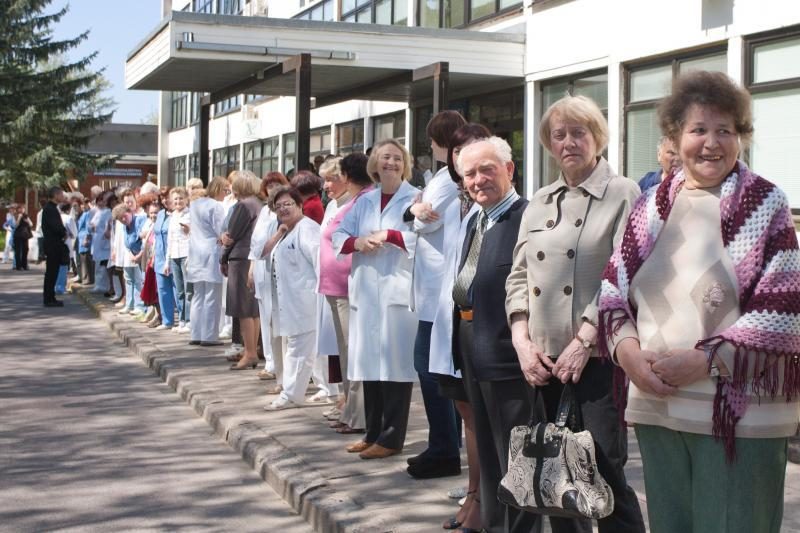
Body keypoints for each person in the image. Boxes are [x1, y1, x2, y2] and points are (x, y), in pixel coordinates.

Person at [598, 70, 800, 533]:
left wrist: (706, 361)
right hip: (658, 405)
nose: (712, 143)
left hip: (740, 417)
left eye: (725, 130)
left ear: (741, 138)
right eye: (698, 130)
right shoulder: (649, 206)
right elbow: (612, 291)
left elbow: (782, 312)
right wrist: (627, 354)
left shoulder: (766, 203)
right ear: (674, 137)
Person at [505, 94, 645, 533]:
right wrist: (522, 342)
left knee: (605, 472)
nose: (568, 142)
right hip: (544, 360)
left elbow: (623, 275)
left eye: (578, 132)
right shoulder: (540, 201)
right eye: (559, 135)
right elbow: (518, 277)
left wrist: (585, 340)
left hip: (599, 357)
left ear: (597, 137)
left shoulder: (622, 193)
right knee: (555, 479)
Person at [445, 138, 537, 533]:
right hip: (471, 342)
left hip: (506, 351)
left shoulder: (526, 218)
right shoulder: (478, 218)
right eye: (470, 174)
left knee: (516, 457)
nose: (478, 180)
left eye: (487, 169)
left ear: (510, 170)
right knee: (488, 448)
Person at [332, 139, 419, 460]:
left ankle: (392, 437)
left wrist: (391, 236)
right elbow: (338, 236)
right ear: (374, 164)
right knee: (369, 363)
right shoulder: (364, 202)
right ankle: (372, 432)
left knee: (395, 366)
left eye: (397, 158)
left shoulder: (415, 198)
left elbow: (424, 237)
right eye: (384, 158)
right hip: (366, 291)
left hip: (397, 290)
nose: (391, 163)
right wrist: (358, 242)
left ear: (405, 164)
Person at [428, 122, 492, 532]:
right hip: (450, 324)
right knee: (468, 418)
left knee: (487, 420)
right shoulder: (452, 202)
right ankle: (474, 493)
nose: (464, 161)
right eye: (457, 152)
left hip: (482, 329)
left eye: (474, 151)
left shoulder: (501, 206)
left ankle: (486, 498)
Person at [404, 110, 467, 480]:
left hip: (439, 289)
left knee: (430, 370)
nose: (429, 144)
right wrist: (414, 209)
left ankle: (444, 448)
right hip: (433, 287)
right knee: (432, 369)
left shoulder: (446, 180)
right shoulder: (442, 178)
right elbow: (414, 214)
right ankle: (442, 444)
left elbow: (423, 221)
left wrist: (414, 211)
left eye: (431, 138)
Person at [317, 154, 373, 433]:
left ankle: (359, 415)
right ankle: (351, 409)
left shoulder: (362, 200)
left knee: (354, 352)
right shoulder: (351, 200)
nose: (328, 184)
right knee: (345, 352)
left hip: (349, 287)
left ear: (348, 177)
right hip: (337, 286)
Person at [263, 186, 323, 410]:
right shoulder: (287, 230)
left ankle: (291, 394)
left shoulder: (307, 229)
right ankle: (329, 389)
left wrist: (321, 294)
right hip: (292, 300)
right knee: (311, 350)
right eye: (278, 207)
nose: (283, 209)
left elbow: (319, 261)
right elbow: (263, 251)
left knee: (298, 350)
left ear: (300, 205)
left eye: (288, 204)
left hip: (306, 299)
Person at [249, 171, 289, 386]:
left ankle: (280, 366)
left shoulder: (282, 211)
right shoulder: (264, 210)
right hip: (261, 268)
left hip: (277, 271)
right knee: (265, 318)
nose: (273, 188)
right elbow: (256, 243)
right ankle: (270, 362)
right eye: (269, 184)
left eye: (277, 184)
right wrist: (251, 268)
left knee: (277, 319)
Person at [222, 170, 263, 368]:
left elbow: (231, 235)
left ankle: (249, 352)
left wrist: (223, 254)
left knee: (243, 309)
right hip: (252, 257)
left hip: (240, 258)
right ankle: (252, 350)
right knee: (253, 308)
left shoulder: (243, 206)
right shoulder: (258, 204)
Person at [186, 177, 228, 345]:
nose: (226, 193)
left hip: (196, 252)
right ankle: (209, 336)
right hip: (211, 251)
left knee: (198, 296)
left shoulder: (195, 204)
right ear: (218, 189)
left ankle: (195, 334)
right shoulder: (216, 206)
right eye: (225, 190)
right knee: (212, 295)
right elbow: (221, 231)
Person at [165, 187, 192, 333]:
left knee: (188, 290)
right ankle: (181, 319)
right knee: (179, 290)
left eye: (181, 198)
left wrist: (189, 230)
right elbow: (170, 239)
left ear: (186, 199)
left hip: (186, 254)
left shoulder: (190, 214)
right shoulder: (172, 216)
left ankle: (189, 320)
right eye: (175, 199)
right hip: (174, 255)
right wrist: (166, 260)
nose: (178, 201)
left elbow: (193, 235)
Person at [153, 188, 176, 331]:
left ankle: (182, 320)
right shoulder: (160, 214)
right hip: (159, 257)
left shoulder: (180, 215)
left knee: (176, 289)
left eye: (167, 197)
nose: (164, 200)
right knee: (163, 289)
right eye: (162, 198)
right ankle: (167, 320)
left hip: (174, 256)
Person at [42, 186, 68, 307]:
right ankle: (49, 298)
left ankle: (50, 297)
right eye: (61, 195)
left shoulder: (52, 208)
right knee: (51, 272)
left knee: (53, 272)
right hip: (53, 244)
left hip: (54, 243)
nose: (62, 197)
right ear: (56, 195)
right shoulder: (50, 209)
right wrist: (64, 232)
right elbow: (56, 226)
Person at [76, 199, 94, 285]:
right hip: (81, 238)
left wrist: (86, 238)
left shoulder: (87, 214)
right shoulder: (82, 214)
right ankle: (85, 278)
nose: (82, 206)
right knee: (84, 260)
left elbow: (88, 226)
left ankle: (87, 279)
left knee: (86, 260)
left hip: (84, 239)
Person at [12, 206, 32, 271]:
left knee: (25, 249)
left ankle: (24, 265)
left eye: (24, 209)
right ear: (18, 210)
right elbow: (16, 225)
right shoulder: (16, 216)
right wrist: (19, 217)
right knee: (18, 251)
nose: (23, 210)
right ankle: (18, 266)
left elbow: (31, 224)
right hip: (18, 235)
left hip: (25, 235)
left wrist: (27, 220)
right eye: (21, 209)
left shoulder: (26, 216)